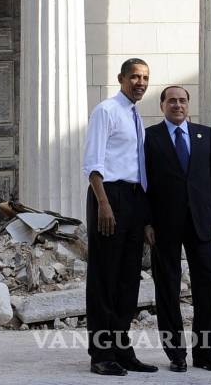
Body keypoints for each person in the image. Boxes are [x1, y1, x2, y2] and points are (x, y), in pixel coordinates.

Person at [143, 85, 211, 373]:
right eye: (172, 101)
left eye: (182, 100)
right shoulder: (149, 137)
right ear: (162, 106)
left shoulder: (205, 134)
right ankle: (176, 355)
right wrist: (147, 222)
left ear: (188, 104)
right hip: (164, 226)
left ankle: (206, 354)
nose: (177, 105)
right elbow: (142, 183)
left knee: (208, 288)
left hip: (202, 222)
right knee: (167, 289)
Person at [83, 58, 157, 376]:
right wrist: (103, 203)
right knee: (105, 277)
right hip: (108, 195)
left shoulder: (135, 115)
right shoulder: (107, 111)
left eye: (145, 77)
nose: (140, 82)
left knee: (128, 278)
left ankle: (121, 348)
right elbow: (93, 162)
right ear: (121, 78)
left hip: (133, 199)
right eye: (134, 77)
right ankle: (101, 354)